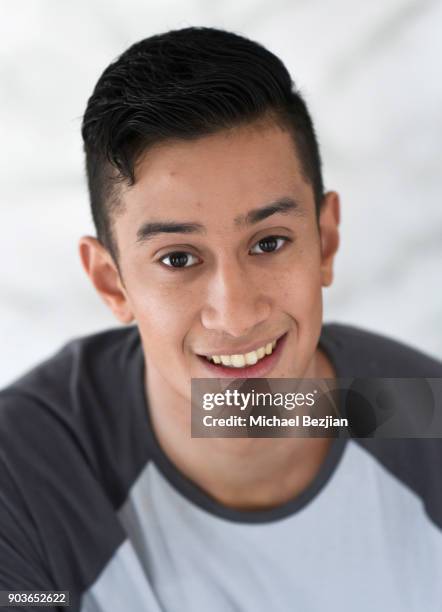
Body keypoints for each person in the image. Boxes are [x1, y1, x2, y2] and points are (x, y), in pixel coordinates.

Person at [0, 26, 441, 612]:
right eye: (178, 259)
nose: (236, 316)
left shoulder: (418, 415)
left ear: (326, 242)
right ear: (112, 282)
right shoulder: (24, 474)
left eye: (269, 243)